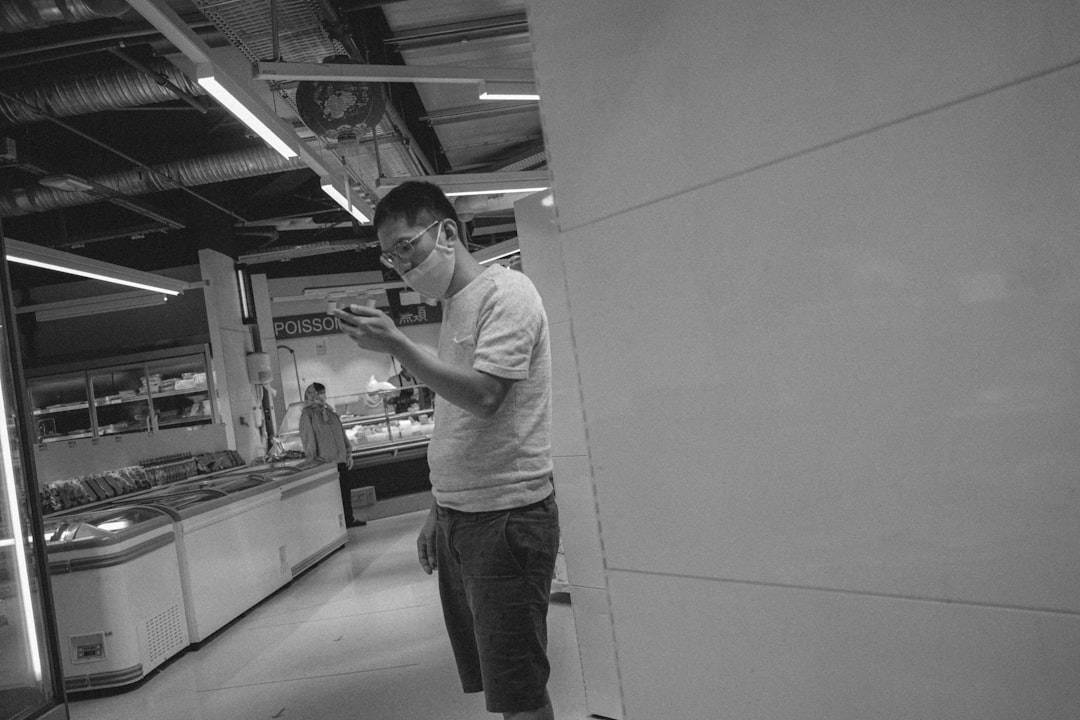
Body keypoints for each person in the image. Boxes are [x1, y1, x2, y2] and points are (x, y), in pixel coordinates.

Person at [331, 181, 558, 720]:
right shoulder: (456, 305)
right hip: (466, 514)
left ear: (447, 232)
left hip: (505, 517)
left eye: (407, 246)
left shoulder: (509, 293)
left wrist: (399, 346)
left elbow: (484, 396)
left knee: (519, 690)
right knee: (501, 685)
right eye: (390, 255)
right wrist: (441, 505)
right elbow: (456, 414)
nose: (400, 264)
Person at [298, 382, 363, 528]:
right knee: (331, 497)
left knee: (345, 493)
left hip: (340, 461)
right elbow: (309, 439)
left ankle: (348, 519)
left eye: (323, 392)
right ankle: (335, 527)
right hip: (325, 463)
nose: (322, 395)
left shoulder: (329, 412)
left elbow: (341, 433)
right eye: (319, 392)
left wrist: (348, 453)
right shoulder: (307, 415)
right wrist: (312, 460)